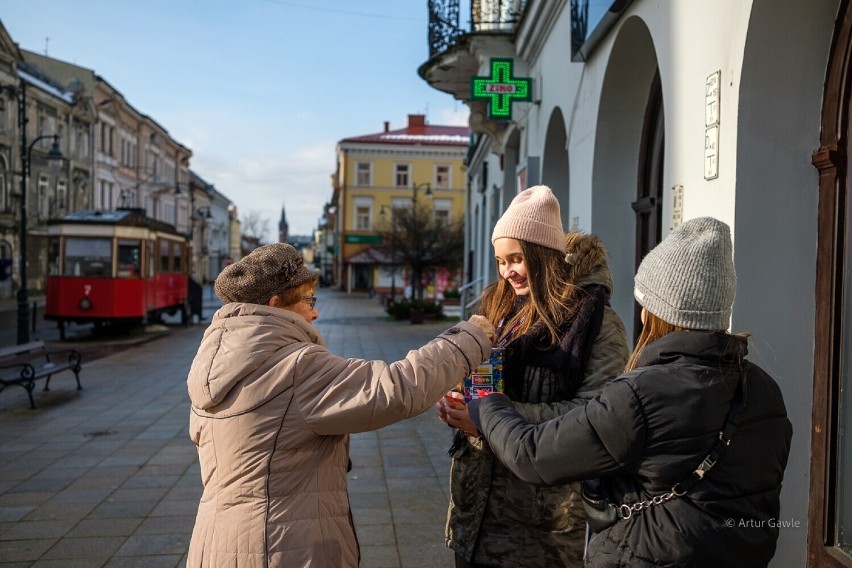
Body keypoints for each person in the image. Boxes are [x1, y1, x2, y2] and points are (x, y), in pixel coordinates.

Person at [461, 217, 793, 567]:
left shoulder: (641, 394)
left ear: (656, 310)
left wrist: (486, 402)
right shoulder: (763, 388)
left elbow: (533, 456)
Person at [185, 243, 495, 568]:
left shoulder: (215, 358)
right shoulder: (294, 367)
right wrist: (470, 338)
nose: (315, 312)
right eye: (308, 301)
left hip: (215, 542)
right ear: (275, 305)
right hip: (280, 545)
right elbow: (396, 387)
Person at [436, 185, 630, 567]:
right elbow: (481, 383)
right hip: (475, 514)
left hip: (542, 527)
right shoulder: (500, 307)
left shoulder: (597, 324)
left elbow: (594, 416)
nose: (507, 271)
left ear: (544, 255)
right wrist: (459, 400)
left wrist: (489, 420)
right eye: (499, 260)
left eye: (517, 258)